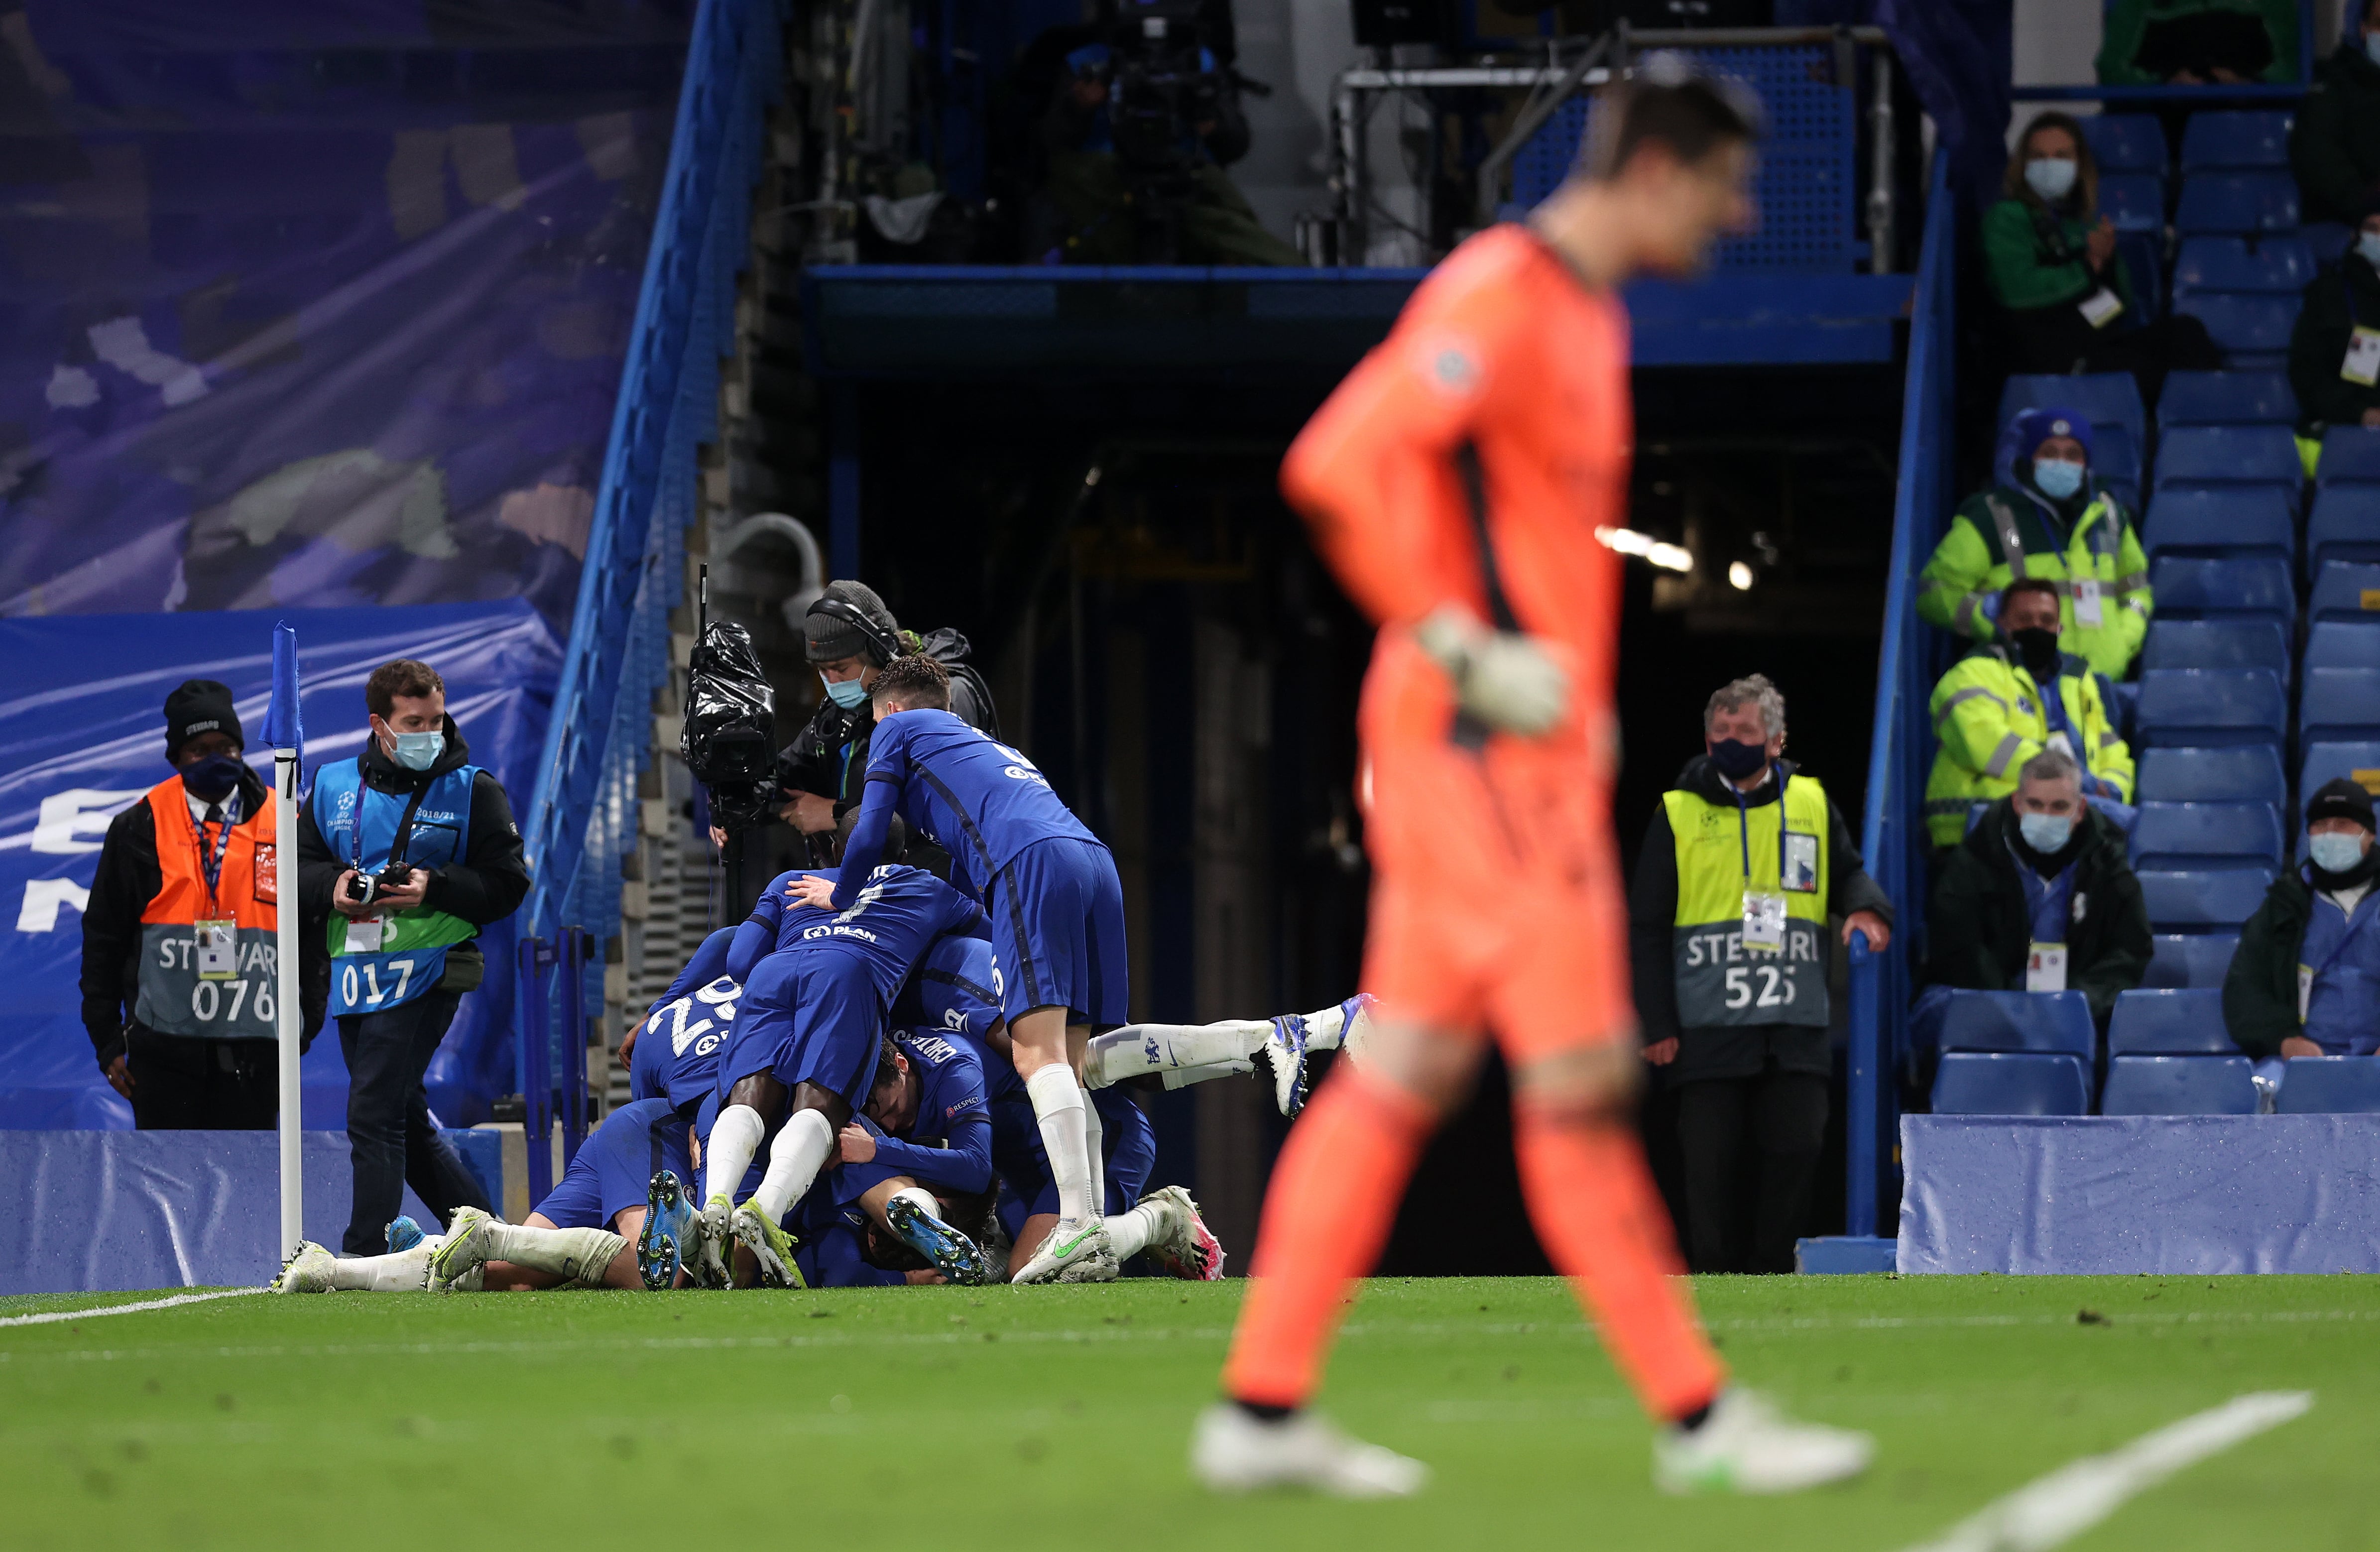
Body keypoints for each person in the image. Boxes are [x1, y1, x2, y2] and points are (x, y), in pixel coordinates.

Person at [1192, 61, 1873, 1499]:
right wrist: (1462, 645)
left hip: (1521, 761)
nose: (1739, 213)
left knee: (1407, 1079)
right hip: (1474, 751)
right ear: (1653, 169)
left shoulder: (1586, 314)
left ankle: (1259, 1406)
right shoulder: (1499, 292)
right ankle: (1697, 1418)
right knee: (1572, 1090)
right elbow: (1340, 459)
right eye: (1723, 184)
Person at [806, 653, 1134, 1287]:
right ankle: (1088, 1222)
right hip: (1092, 862)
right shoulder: (981, 744)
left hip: (1030, 862)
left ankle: (1078, 1226)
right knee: (1075, 1061)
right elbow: (963, 866)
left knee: (1036, 1058)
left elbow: (870, 828)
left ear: (893, 707)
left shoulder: (898, 728)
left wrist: (841, 894)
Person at [1628, 676, 1894, 1276]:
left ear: (1776, 740)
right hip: (1706, 1018)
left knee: (1797, 1146)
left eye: (1743, 732)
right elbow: (1645, 925)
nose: (1729, 742)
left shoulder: (1811, 803)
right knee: (1708, 1161)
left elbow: (1848, 873)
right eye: (1719, 732)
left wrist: (1867, 908)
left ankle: (1774, 1270)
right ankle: (1713, 1276)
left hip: (1792, 1014)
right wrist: (1656, 1019)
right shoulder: (1677, 811)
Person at [297, 658, 527, 1256]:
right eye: (415, 721)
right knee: (400, 1111)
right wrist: (334, 887)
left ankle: (364, 1255)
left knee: (372, 1109)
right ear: (380, 723)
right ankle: (491, 1241)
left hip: (431, 968)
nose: (431, 732)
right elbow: (297, 872)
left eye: (437, 719)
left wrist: (435, 886)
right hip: (356, 972)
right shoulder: (330, 785)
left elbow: (509, 886)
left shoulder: (475, 788)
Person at [695, 859, 990, 1288]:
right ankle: (768, 1215)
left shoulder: (791, 879)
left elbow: (739, 959)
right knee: (824, 1111)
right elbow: (996, 937)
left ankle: (713, 1204)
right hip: (846, 971)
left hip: (772, 971)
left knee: (747, 1098)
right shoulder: (923, 885)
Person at [79, 680, 325, 1129]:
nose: (216, 758)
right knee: (165, 1191)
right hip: (161, 1058)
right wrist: (108, 1040)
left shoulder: (288, 820)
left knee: (252, 1191)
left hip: (260, 1054)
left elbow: (313, 931)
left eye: (227, 746)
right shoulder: (138, 825)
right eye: (200, 749)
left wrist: (305, 1024)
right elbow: (103, 938)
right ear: (176, 758)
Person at [1982, 114, 2221, 403]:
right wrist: (2088, 268)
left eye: (2061, 156)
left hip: (2093, 345)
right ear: (2023, 165)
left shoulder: (2079, 221)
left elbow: (2120, 302)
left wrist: (2105, 264)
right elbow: (2018, 289)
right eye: (2039, 157)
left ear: (2079, 164)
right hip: (2044, 360)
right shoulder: (2007, 218)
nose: (2049, 165)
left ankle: (2210, 436)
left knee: (2186, 333)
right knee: (2148, 373)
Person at [1037, 4, 1302, 266]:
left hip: (1186, 187)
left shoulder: (1199, 62)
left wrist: (1210, 122)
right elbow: (1053, 144)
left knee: (1254, 247)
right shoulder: (1087, 64)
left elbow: (1235, 143)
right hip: (1106, 193)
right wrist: (1079, 108)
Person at [761, 580, 999, 859]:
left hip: (943, 887)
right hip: (869, 887)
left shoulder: (947, 695)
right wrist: (731, 804)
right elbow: (787, 773)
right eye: (822, 671)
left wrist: (838, 815)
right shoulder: (843, 710)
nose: (833, 681)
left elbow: (947, 805)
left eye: (840, 668)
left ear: (880, 650)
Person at [1917, 408, 2154, 681]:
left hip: (2100, 690)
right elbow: (1934, 593)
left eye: (2072, 455)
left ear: (2086, 464)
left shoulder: (2109, 516)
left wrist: (2122, 642)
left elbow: (2138, 591)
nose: (2061, 463)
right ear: (2030, 459)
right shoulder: (1992, 517)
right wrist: (1994, 619)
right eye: (2050, 453)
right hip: (2022, 687)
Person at [1926, 750, 2152, 1028]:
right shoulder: (1976, 857)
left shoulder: (2108, 862)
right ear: (2017, 804)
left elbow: (2131, 948)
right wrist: (2011, 1004)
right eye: (2035, 804)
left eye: (2059, 807)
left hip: (2080, 1016)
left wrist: (2079, 1002)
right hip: (1992, 1011)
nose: (2046, 816)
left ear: (2080, 810)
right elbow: (1956, 943)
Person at [1922, 578, 2135, 850]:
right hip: (1981, 834)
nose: (2037, 628)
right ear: (2002, 625)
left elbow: (2110, 746)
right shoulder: (1971, 674)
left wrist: (2113, 789)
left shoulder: (2079, 681)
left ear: (2060, 628)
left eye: (2047, 620)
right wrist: (2076, 783)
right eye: (2024, 619)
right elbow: (1986, 743)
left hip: (2072, 830)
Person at [2225, 779, 2380, 1060]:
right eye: (2320, 825)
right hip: (2304, 1062)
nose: (2330, 834)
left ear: (2370, 834)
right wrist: (2284, 1041)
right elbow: (2245, 988)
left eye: (2343, 823)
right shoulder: (2284, 904)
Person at [2287, 200, 2380, 454]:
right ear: (2356, 236)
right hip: (2346, 432)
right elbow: (2307, 373)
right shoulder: (2330, 295)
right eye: (2373, 229)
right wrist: (2361, 414)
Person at [2291, 2, 2380, 225]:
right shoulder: (2331, 86)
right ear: (2363, 28)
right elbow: (2318, 158)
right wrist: (2365, 207)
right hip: (2342, 222)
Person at [2097, 0, 2299, 86]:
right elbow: (2111, 69)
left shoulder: (2273, 4)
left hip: (2255, 127)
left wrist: (2250, 84)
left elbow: (2294, 69)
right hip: (2158, 135)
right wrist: (2165, 83)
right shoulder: (2138, 4)